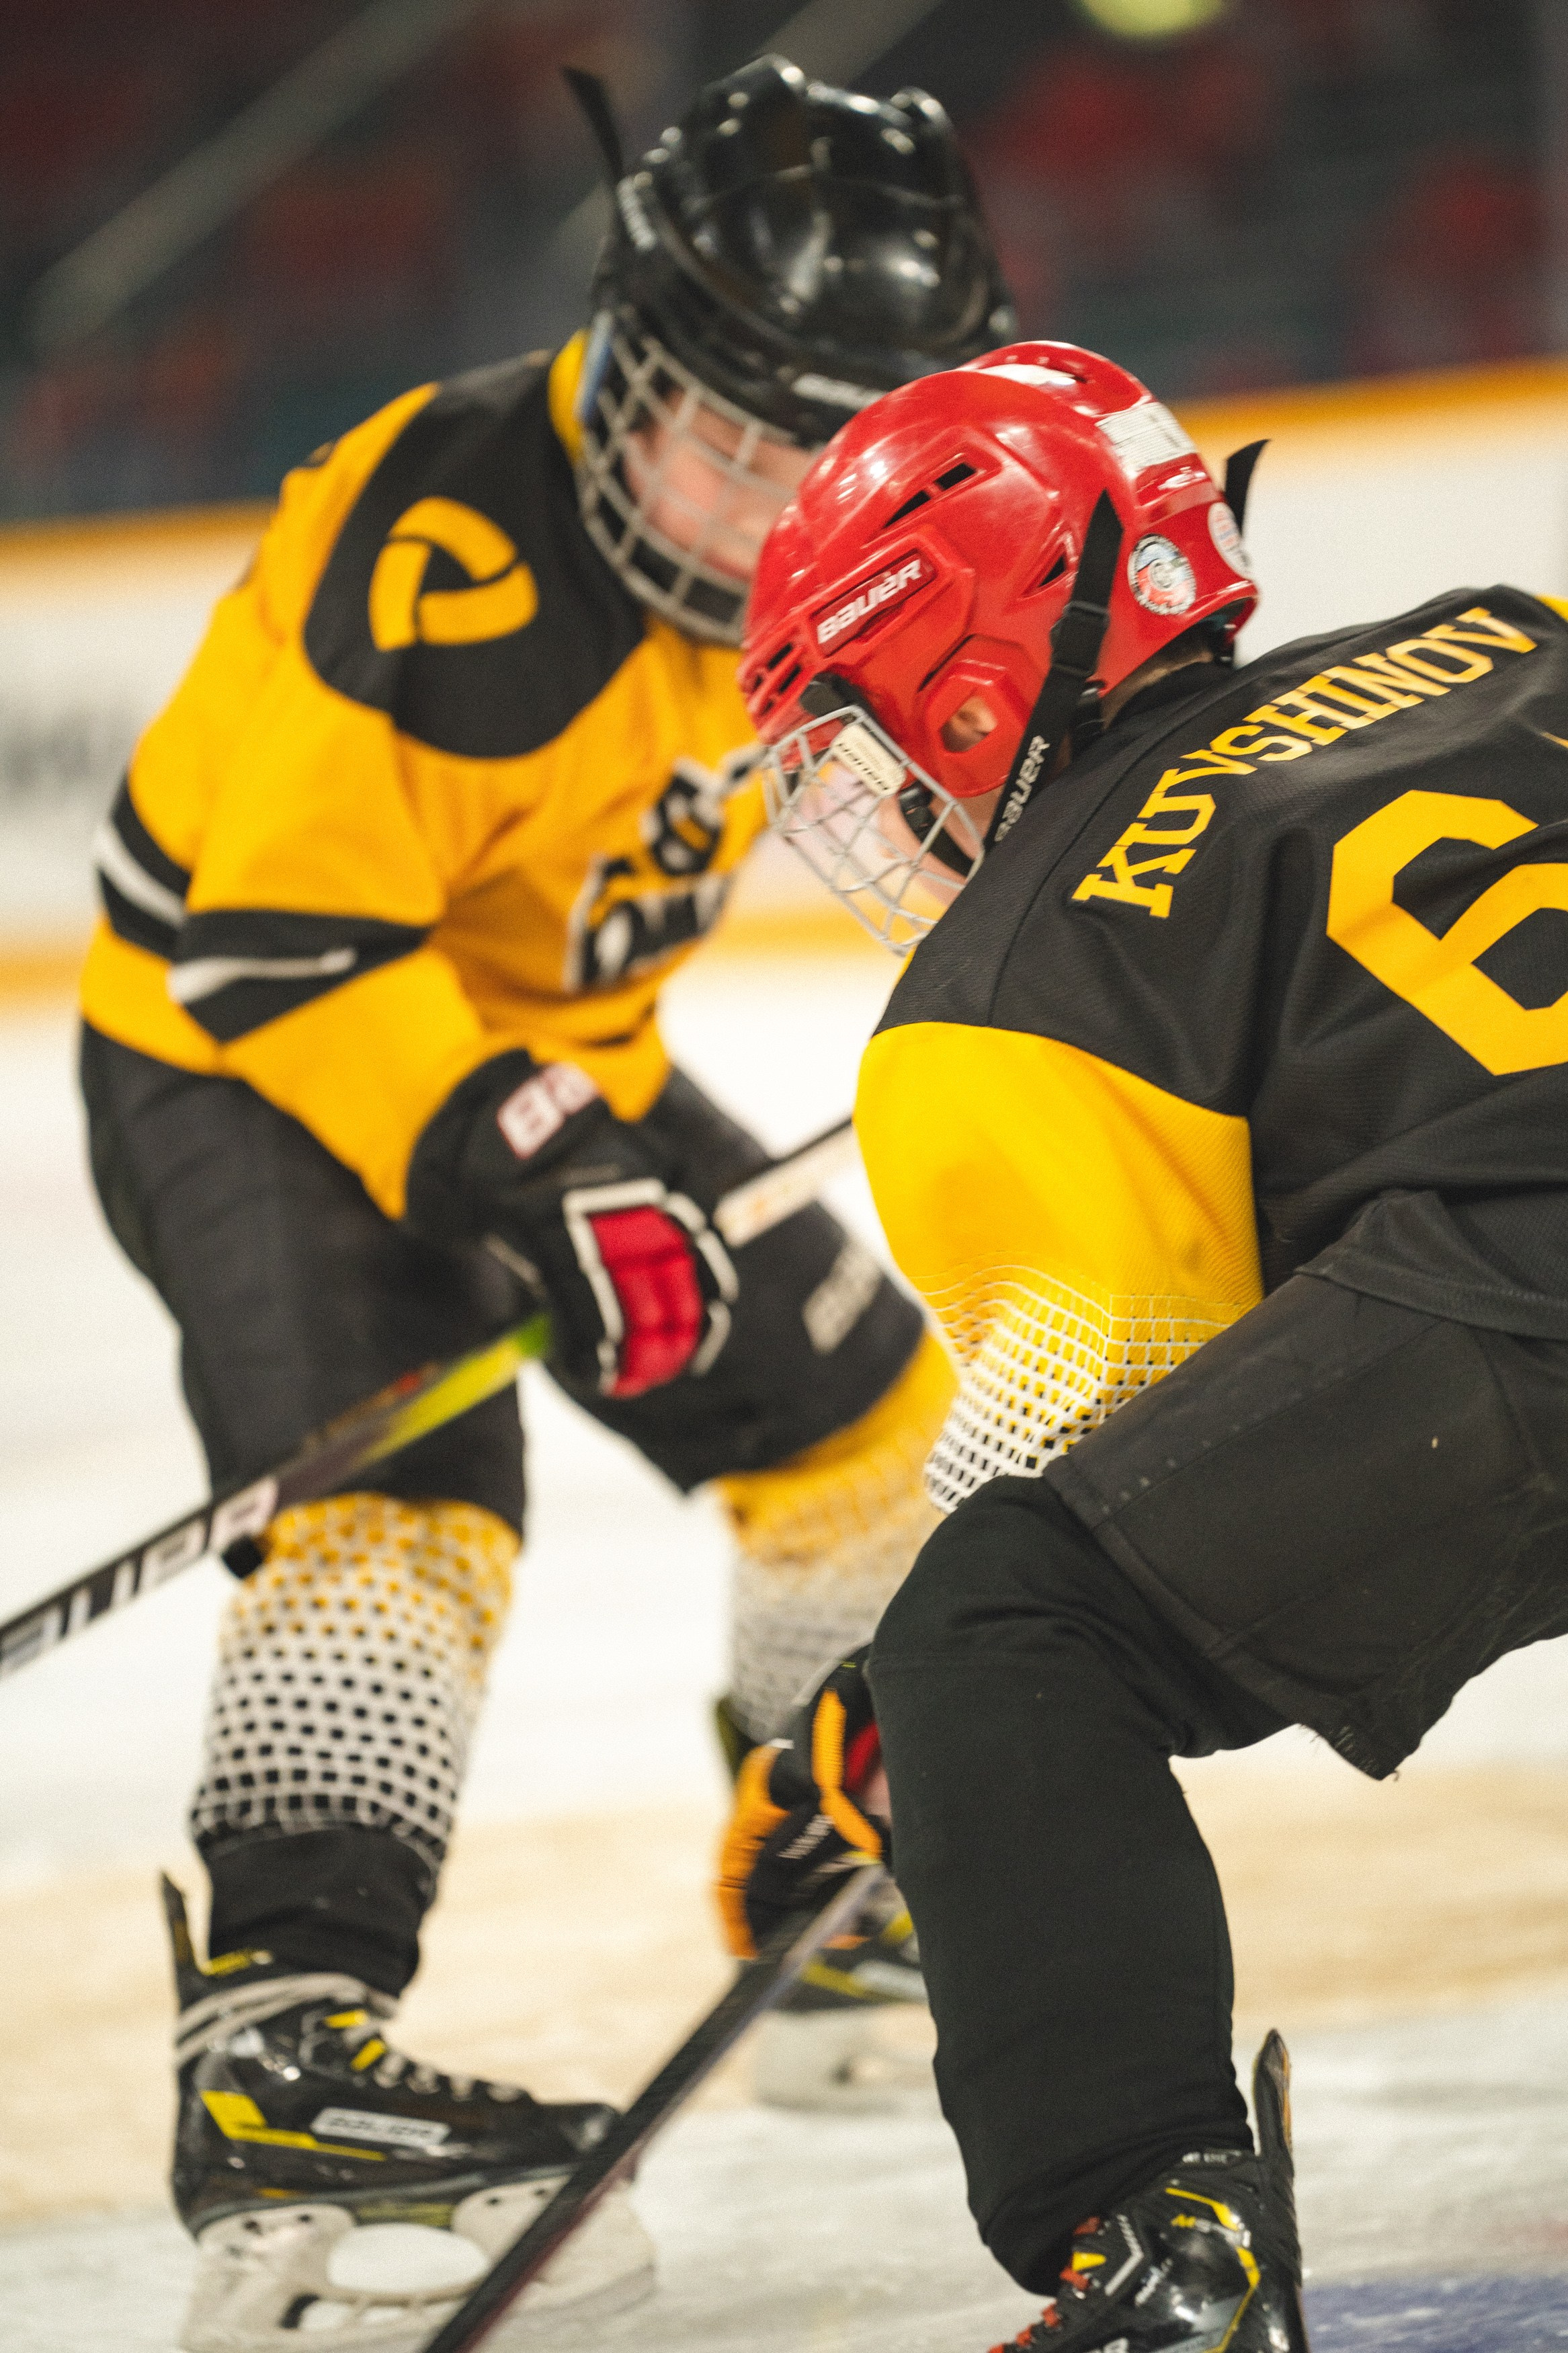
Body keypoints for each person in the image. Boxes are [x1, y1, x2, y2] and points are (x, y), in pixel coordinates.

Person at [77, 54, 1016, 2348]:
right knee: (418, 1486)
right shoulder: (434, 521)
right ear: (628, 354)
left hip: (554, 1073)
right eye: (727, 429)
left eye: (829, 449)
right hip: (256, 1070)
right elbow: (265, 946)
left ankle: (826, 1885)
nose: (761, 506)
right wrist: (543, 1168)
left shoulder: (856, 555)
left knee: (858, 1416)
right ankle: (279, 2062)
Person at [722, 335, 1568, 2350]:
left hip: (1530, 1317)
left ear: (960, 672)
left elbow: (1101, 1439)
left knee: (998, 1639)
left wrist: (897, 1720)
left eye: (861, 745)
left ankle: (1156, 2247)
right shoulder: (1504, 632)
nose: (878, 809)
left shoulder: (1001, 976)